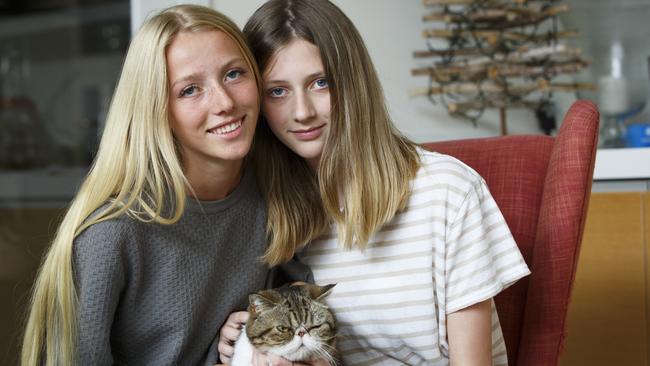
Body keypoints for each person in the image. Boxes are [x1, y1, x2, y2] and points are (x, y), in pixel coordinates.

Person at [218, 0, 531, 365]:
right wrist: (243, 340)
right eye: (277, 91)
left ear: (353, 83)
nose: (302, 112)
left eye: (321, 83)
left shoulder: (448, 191)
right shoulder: (269, 209)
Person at [21, 4, 273, 365]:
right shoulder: (114, 233)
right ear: (157, 108)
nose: (225, 102)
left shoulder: (272, 194)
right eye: (189, 90)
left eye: (234, 74)